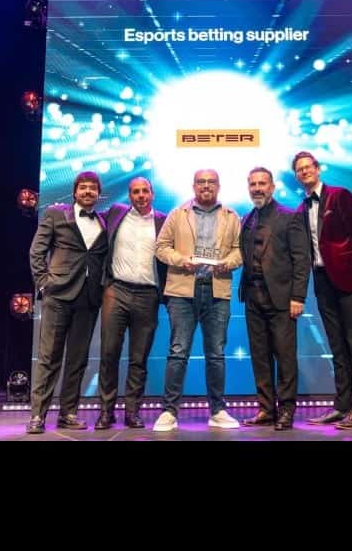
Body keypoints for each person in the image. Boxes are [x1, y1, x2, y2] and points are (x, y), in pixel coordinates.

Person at [153, 169, 242, 431]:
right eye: (201, 182)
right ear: (194, 186)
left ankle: (218, 410)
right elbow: (161, 247)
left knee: (216, 354)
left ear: (218, 186)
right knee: (178, 352)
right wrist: (182, 260)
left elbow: (240, 251)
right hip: (183, 290)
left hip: (216, 289)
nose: (206, 186)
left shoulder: (231, 216)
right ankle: (169, 411)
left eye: (211, 182)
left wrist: (227, 263)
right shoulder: (178, 214)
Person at [292, 151, 352, 430]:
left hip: (348, 277)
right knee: (337, 346)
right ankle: (342, 406)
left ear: (317, 169)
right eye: (299, 169)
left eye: (308, 167)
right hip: (322, 279)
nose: (304, 172)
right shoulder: (302, 208)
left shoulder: (340, 195)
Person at [26, 171, 108, 434]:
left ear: (99, 193)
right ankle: (37, 416)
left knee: (77, 359)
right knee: (49, 357)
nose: (88, 191)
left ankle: (68, 413)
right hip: (58, 294)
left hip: (89, 297)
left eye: (92, 188)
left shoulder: (103, 221)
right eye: (83, 187)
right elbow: (37, 251)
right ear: (75, 192)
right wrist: (43, 283)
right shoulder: (55, 214)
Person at [239, 167, 310, 430]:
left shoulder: (289, 217)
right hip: (253, 297)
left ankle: (287, 410)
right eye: (253, 184)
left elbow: (301, 260)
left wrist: (298, 296)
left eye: (262, 184)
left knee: (285, 357)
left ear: (272, 187)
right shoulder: (247, 218)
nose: (257, 188)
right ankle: (266, 409)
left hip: (281, 299)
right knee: (260, 356)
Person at [95, 177, 167, 430]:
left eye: (145, 191)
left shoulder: (163, 220)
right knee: (109, 354)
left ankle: (132, 412)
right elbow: (89, 218)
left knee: (139, 358)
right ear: (129, 195)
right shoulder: (116, 213)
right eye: (136, 192)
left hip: (148, 295)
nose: (141, 195)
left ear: (152, 194)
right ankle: (106, 412)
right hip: (116, 290)